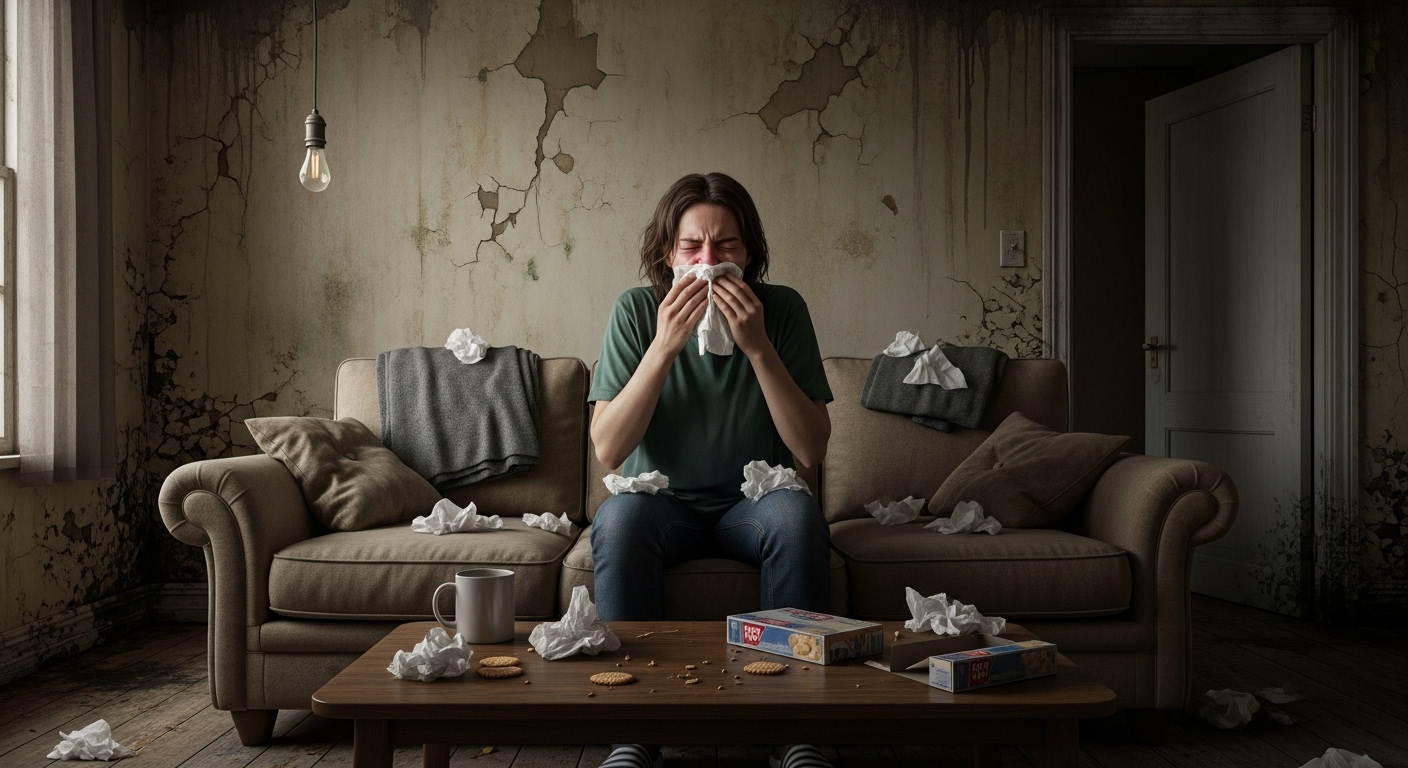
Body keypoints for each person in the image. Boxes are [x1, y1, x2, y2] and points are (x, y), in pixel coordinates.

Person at [589, 173, 836, 768]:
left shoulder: (782, 310)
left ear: (748, 253)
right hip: (660, 504)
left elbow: (810, 450)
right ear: (667, 254)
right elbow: (608, 449)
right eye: (692, 248)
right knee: (618, 521)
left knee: (799, 517)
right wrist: (664, 347)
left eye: (725, 246)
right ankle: (633, 735)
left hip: (755, 504)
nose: (708, 262)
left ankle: (798, 731)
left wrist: (757, 347)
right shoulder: (635, 310)